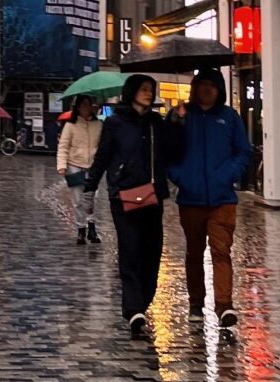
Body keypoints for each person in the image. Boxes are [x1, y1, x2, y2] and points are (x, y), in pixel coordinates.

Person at [89, 75, 180, 333]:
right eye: (143, 89)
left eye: (151, 89)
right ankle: (133, 308)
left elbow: (171, 151)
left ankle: (143, 301)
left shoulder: (155, 123)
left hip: (151, 193)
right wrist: (91, 185)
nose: (148, 93)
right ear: (131, 92)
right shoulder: (116, 122)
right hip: (124, 194)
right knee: (130, 249)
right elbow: (103, 155)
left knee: (151, 251)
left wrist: (175, 122)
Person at [174, 68, 254, 332]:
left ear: (219, 90)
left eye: (212, 85)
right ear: (195, 87)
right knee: (194, 253)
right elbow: (166, 151)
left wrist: (227, 175)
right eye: (202, 84)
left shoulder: (230, 118)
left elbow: (243, 152)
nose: (207, 90)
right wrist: (182, 177)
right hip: (191, 198)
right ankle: (196, 303)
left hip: (222, 198)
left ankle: (224, 305)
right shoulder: (182, 116)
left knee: (221, 252)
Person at [56, 95, 103, 244]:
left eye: (89, 104)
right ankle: (81, 229)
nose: (86, 108)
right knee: (77, 201)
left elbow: (104, 145)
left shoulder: (98, 124)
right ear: (77, 107)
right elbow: (63, 146)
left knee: (92, 199)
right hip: (74, 165)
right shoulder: (70, 126)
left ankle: (92, 227)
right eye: (83, 105)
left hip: (93, 166)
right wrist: (62, 165)